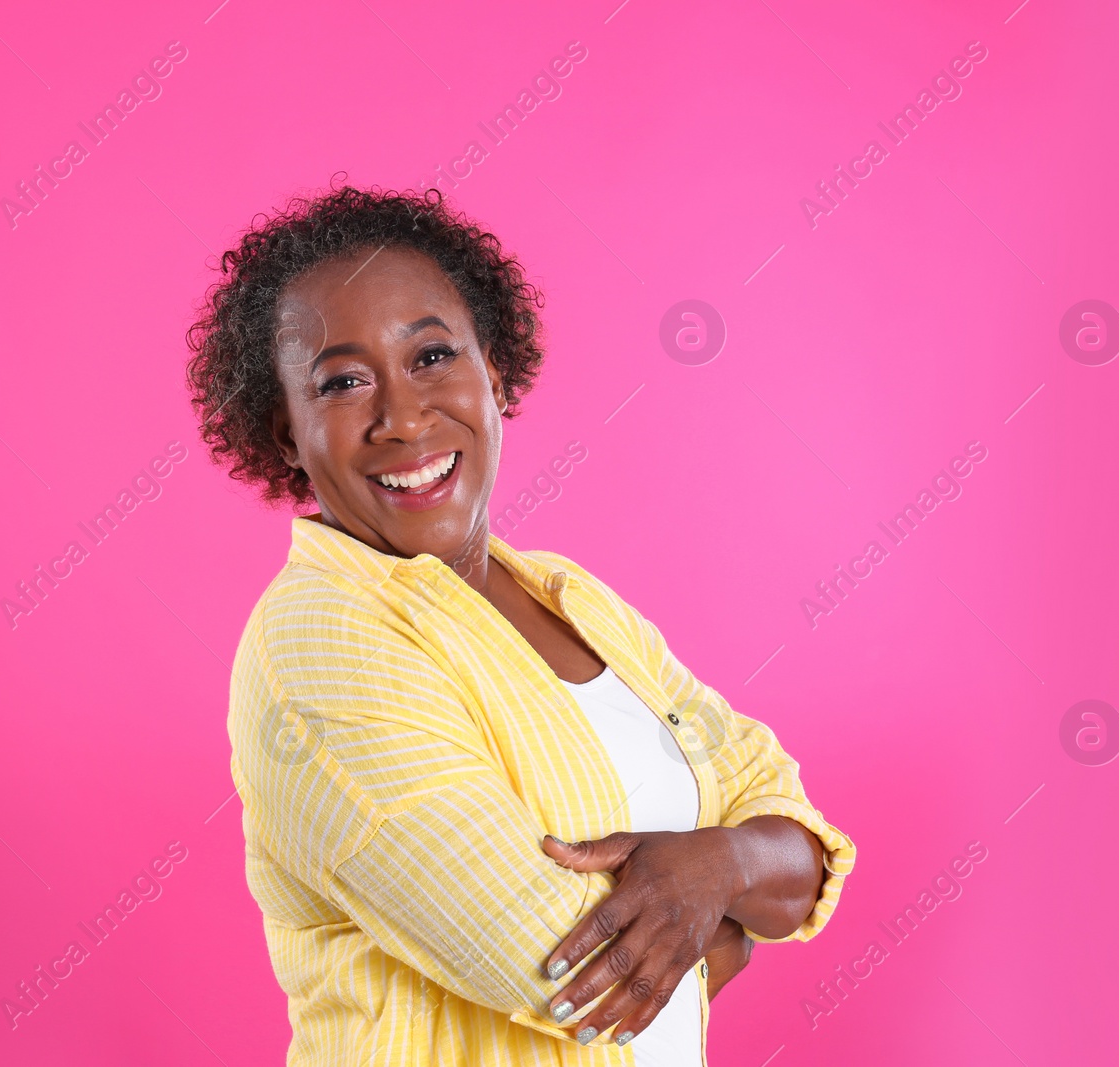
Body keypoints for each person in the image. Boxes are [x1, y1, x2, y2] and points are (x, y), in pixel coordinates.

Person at [187, 181, 855, 1065]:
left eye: (432, 357)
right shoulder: (321, 643)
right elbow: (574, 973)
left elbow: (795, 834)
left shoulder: (570, 596)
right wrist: (718, 917)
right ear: (285, 435)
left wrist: (722, 864)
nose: (403, 417)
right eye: (343, 382)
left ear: (493, 371)